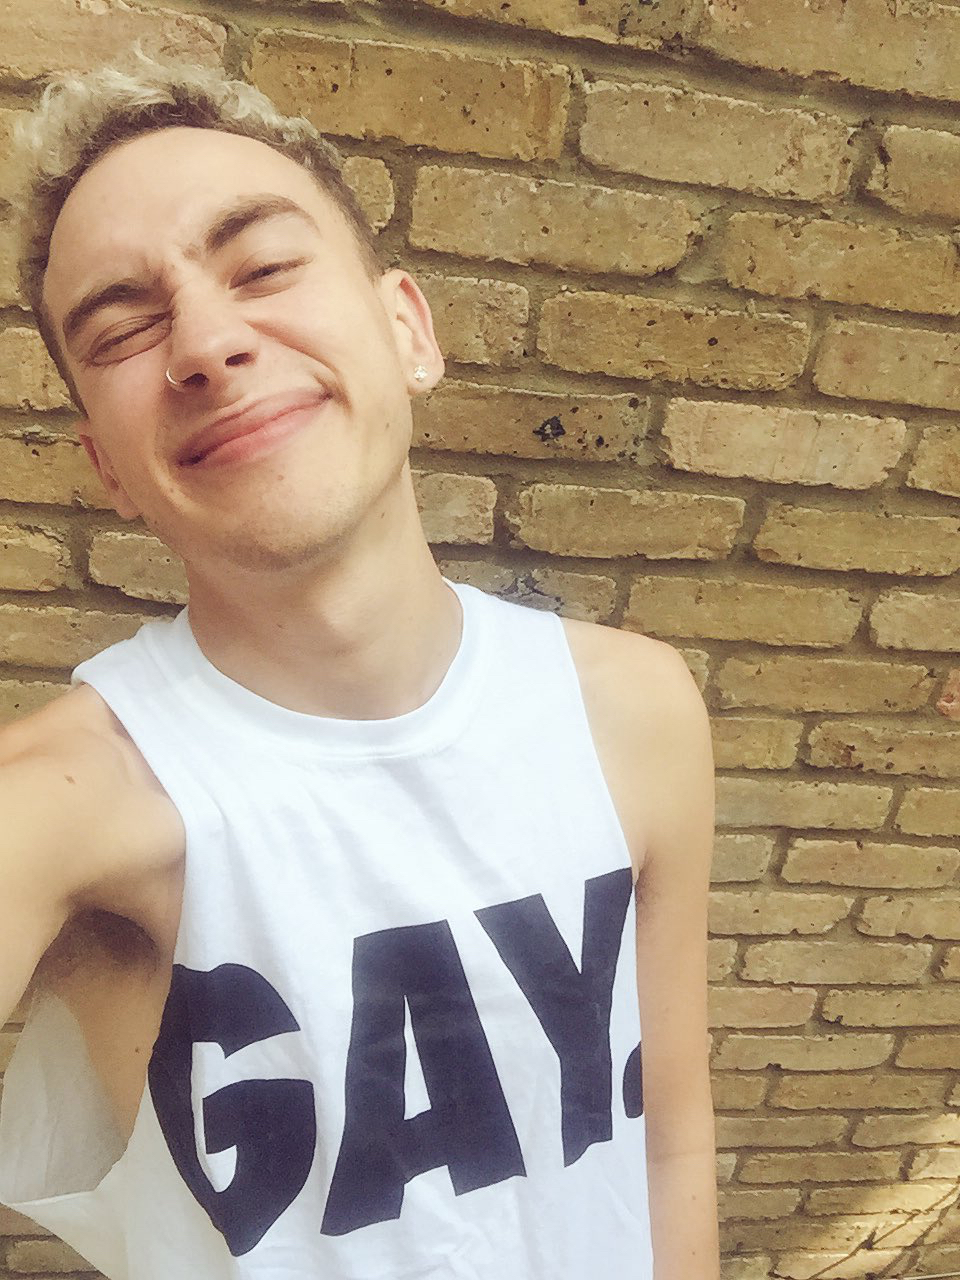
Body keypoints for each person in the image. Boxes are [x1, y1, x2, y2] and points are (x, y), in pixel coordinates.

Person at [0, 57, 720, 1280]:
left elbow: (670, 1137)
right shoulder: (68, 807)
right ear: (106, 467)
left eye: (263, 266)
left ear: (408, 331)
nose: (207, 342)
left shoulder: (639, 709)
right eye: (123, 328)